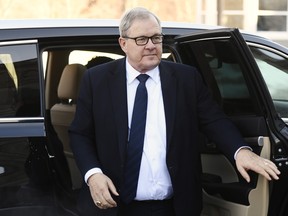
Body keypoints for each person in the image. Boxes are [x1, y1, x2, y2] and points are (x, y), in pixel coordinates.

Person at [69, 7, 280, 216]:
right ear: (123, 43)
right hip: (115, 206)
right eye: (142, 39)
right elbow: (80, 134)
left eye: (156, 38)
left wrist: (240, 151)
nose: (151, 46)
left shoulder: (186, 78)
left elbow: (213, 120)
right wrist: (93, 174)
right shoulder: (97, 80)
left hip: (173, 207)